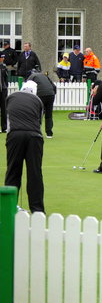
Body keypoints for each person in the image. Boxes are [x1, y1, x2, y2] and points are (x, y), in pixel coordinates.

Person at [5, 81, 45, 213]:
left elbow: (8, 118)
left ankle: (9, 207)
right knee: (35, 173)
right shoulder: (38, 100)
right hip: (34, 136)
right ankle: (37, 210)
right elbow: (39, 121)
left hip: (14, 135)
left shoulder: (11, 97)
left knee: (13, 171)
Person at [27, 70, 57, 138]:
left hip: (40, 94)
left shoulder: (31, 77)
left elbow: (27, 88)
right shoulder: (44, 75)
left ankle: (38, 131)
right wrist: (52, 94)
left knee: (39, 113)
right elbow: (54, 87)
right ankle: (49, 133)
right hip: (51, 94)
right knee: (49, 114)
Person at [0, 53, 8, 132]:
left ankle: (4, 128)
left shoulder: (3, 67)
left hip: (3, 90)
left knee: (4, 109)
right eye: (2, 57)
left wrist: (5, 88)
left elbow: (6, 78)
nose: (3, 59)